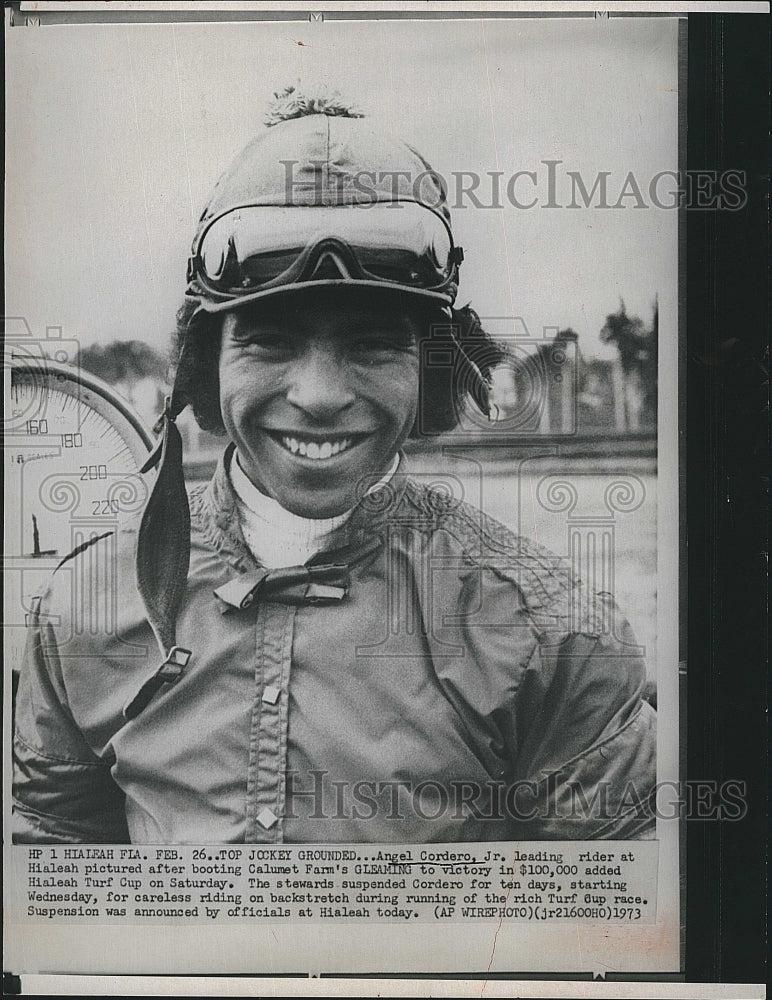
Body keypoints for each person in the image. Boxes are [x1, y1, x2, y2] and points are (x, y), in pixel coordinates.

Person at [13, 91, 656, 844]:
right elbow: (51, 888)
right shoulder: (84, 609)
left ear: (434, 374)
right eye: (271, 341)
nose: (318, 396)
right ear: (203, 365)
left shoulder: (554, 632)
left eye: (372, 344)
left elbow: (614, 920)